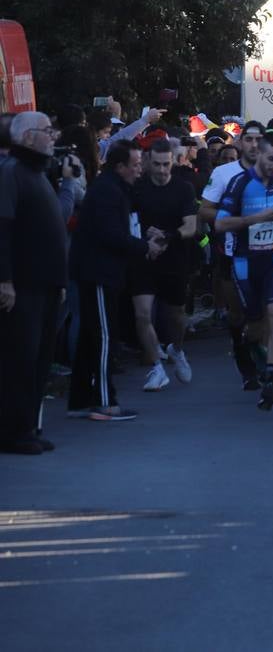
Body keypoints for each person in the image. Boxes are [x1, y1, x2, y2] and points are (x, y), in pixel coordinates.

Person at [68, 141, 169, 421]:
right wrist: (143, 247)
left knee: (91, 337)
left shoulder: (117, 189)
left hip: (104, 272)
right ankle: (104, 401)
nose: (141, 169)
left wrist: (143, 235)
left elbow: (121, 226)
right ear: (120, 166)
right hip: (98, 273)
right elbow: (110, 234)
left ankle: (79, 399)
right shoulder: (107, 191)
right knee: (102, 338)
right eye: (136, 164)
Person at [215, 132, 273, 411]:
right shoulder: (239, 184)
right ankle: (247, 346)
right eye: (271, 158)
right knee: (254, 326)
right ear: (257, 154)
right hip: (243, 262)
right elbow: (220, 224)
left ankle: (271, 380)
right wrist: (256, 219)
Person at [0, 112, 71, 453]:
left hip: (45, 285)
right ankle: (14, 432)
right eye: (46, 131)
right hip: (23, 286)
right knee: (20, 360)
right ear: (27, 138)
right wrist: (5, 280)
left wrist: (57, 282)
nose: (52, 136)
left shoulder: (37, 173)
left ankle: (28, 426)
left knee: (40, 360)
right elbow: (3, 229)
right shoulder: (12, 172)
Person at [131, 139, 198, 393]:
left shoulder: (184, 188)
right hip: (144, 257)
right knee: (142, 314)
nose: (161, 170)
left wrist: (166, 237)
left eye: (165, 165)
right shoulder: (137, 188)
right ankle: (157, 368)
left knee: (176, 316)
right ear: (148, 162)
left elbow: (191, 226)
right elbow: (129, 219)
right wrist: (146, 237)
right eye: (156, 164)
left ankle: (177, 349)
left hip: (174, 258)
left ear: (173, 162)